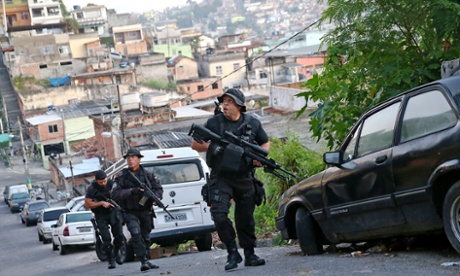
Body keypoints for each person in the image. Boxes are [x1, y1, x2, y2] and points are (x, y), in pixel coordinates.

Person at [191, 88, 269, 271]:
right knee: (219, 215)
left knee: (246, 218)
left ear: (240, 106)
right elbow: (195, 143)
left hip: (244, 176)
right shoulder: (214, 123)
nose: (225, 104)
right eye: (224, 101)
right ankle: (232, 252)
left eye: (230, 101)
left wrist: (260, 156)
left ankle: (249, 254)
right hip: (221, 177)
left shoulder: (253, 124)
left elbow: (264, 142)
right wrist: (212, 147)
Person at [111, 148, 163, 272]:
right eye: (128, 158)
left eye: (133, 157)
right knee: (135, 233)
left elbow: (158, 188)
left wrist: (156, 198)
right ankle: (143, 261)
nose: (130, 160)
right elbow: (115, 194)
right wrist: (131, 191)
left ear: (139, 159)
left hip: (145, 210)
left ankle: (146, 258)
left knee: (146, 236)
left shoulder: (147, 174)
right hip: (129, 211)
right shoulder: (122, 176)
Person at [85, 170, 125, 269]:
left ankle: (116, 254)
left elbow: (121, 195)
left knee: (120, 237)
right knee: (106, 239)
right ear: (96, 180)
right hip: (100, 215)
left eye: (104, 181)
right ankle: (110, 260)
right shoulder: (91, 188)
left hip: (113, 212)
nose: (103, 183)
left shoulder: (112, 184)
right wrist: (101, 203)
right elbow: (87, 204)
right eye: (100, 182)